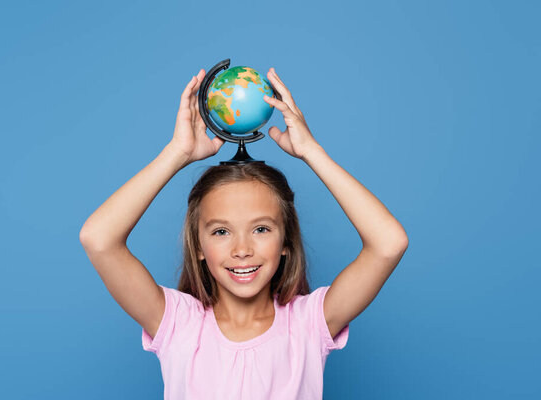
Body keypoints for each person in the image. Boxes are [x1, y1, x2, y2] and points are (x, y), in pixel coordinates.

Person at [79, 67, 409, 399]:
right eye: (221, 231)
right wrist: (176, 154)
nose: (242, 249)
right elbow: (98, 238)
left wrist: (312, 152)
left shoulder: (309, 324)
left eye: (261, 229)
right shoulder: (178, 324)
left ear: (286, 241)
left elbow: (389, 243)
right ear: (198, 246)